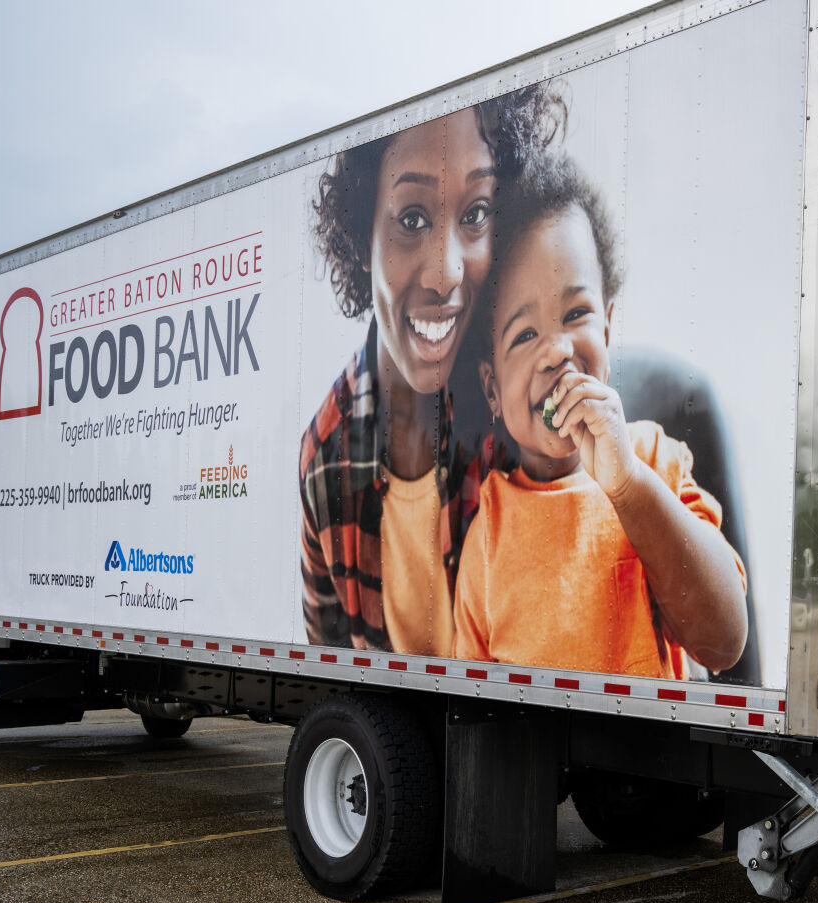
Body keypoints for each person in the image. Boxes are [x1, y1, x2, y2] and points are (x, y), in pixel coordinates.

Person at [453, 155, 748, 677]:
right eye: (524, 335)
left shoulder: (655, 460)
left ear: (608, 331)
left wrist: (630, 484)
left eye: (576, 314)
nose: (557, 351)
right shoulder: (489, 533)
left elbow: (725, 642)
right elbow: (470, 699)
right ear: (492, 388)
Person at [301, 87, 564, 653]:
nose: (446, 274)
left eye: (475, 214)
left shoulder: (522, 412)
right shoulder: (326, 457)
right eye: (413, 218)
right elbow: (331, 670)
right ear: (359, 234)